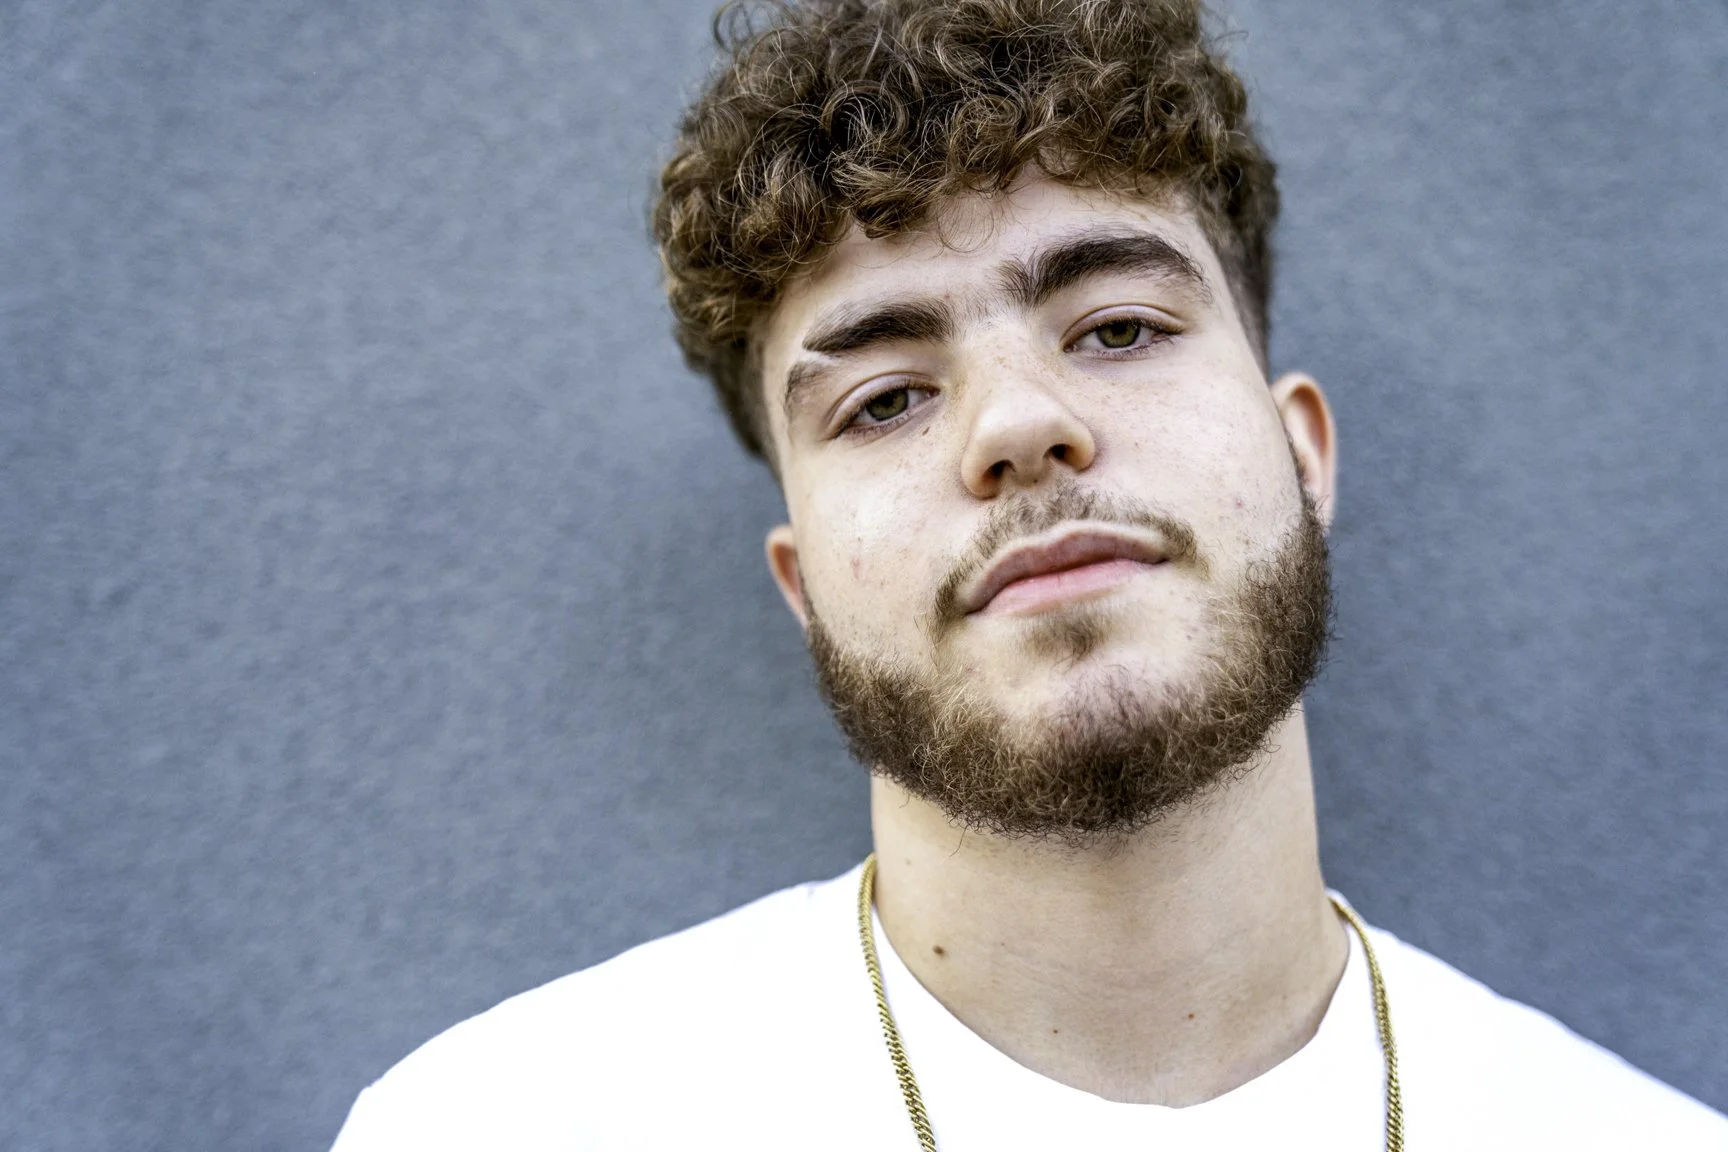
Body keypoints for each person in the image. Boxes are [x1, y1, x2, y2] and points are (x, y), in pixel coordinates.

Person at [331, 1, 1728, 1147]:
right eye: (882, 399)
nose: (1017, 427)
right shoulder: (503, 1124)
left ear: (1305, 458)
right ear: (804, 583)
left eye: (1117, 325)